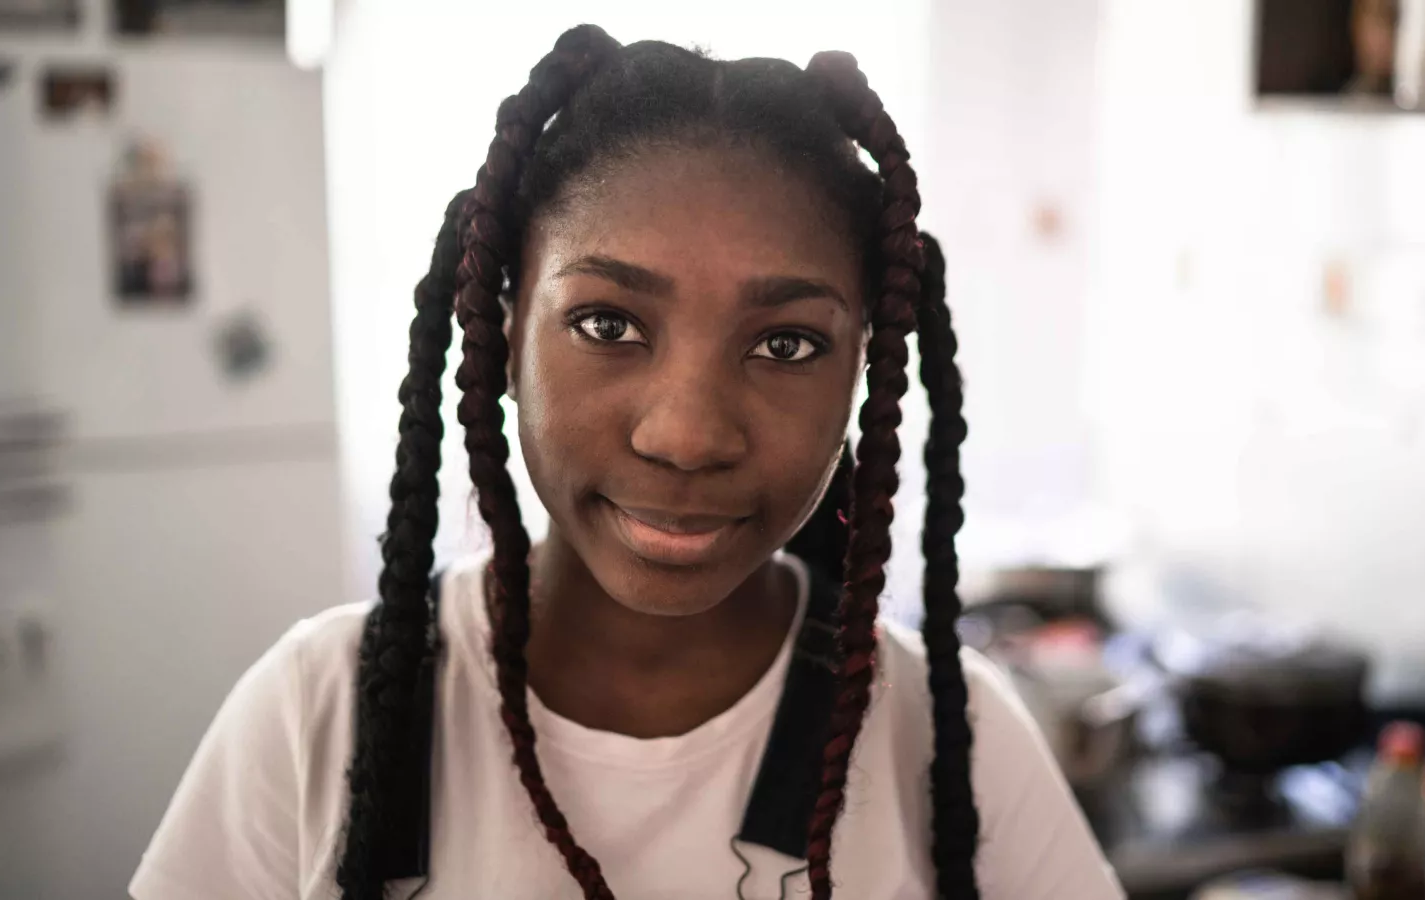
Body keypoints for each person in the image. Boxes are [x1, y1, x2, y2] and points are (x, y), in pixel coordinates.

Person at [129, 25, 1122, 900]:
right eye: (607, 323)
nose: (687, 435)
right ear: (505, 335)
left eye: (785, 345)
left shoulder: (952, 738)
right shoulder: (316, 712)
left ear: (862, 369)